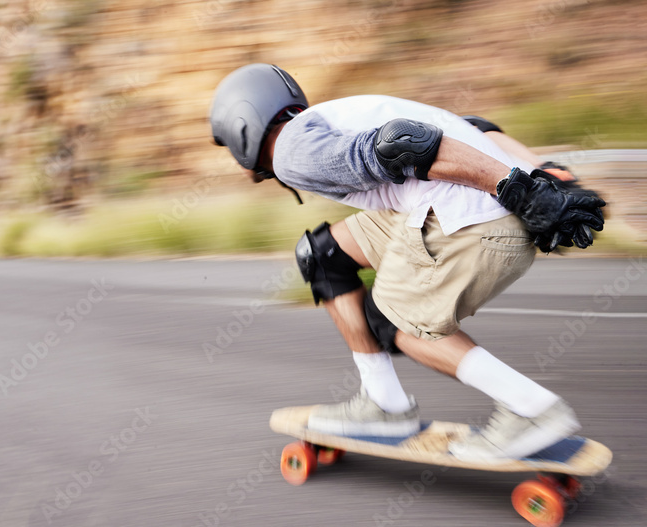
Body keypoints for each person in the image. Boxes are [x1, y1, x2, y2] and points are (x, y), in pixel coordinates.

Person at [208, 63, 606, 461]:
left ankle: (530, 408)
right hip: (474, 209)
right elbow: (476, 127)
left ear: (243, 129)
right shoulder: (332, 117)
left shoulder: (293, 153)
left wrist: (520, 190)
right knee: (324, 255)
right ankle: (383, 404)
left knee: (394, 321)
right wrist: (544, 178)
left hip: (477, 225)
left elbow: (404, 144)